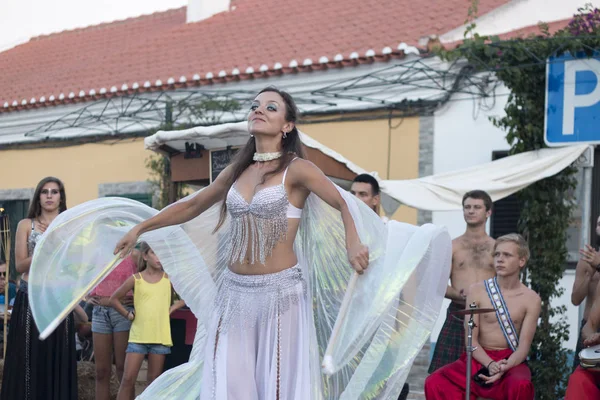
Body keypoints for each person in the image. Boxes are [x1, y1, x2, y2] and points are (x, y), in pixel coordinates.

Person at [28, 87, 451, 400]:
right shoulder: (238, 170)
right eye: (255, 105)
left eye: (271, 107)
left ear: (287, 125)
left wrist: (353, 241)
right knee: (229, 384)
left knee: (277, 387)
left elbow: (341, 202)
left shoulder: (298, 169)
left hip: (281, 297)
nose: (259, 111)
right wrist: (142, 228)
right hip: (234, 295)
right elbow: (193, 204)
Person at [425, 233, 539, 399]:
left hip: (511, 361)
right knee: (435, 382)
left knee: (520, 385)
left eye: (507, 255)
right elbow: (471, 340)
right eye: (497, 254)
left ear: (521, 261)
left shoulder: (531, 299)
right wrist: (490, 364)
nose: (500, 259)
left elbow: (523, 348)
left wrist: (504, 367)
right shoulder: (476, 291)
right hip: (478, 358)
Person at [1, 177, 78, 400]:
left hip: (58, 297)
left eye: (55, 192)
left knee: (58, 354)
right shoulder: (26, 225)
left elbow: (71, 265)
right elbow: (19, 265)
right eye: (45, 192)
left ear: (61, 197)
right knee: (28, 355)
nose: (50, 196)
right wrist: (45, 246)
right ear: (38, 196)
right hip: (30, 295)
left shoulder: (69, 225)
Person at [351, 173, 410, 400]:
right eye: (353, 193)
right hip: (352, 314)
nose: (356, 198)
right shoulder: (344, 231)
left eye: (362, 194)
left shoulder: (391, 232)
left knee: (385, 377)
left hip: (385, 315)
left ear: (376, 199)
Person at [428, 190, 496, 373]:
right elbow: (438, 285)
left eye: (477, 207)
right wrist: (459, 294)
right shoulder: (452, 246)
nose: (471, 211)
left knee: (484, 376)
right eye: (467, 207)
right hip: (458, 313)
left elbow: (505, 285)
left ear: (488, 212)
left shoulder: (497, 248)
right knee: (444, 374)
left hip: (489, 317)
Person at [110, 242, 185, 400]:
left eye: (161, 254)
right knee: (128, 380)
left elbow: (186, 296)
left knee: (153, 383)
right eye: (154, 253)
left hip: (160, 338)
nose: (159, 258)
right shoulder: (136, 279)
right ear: (145, 256)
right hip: (138, 337)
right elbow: (114, 299)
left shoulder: (168, 279)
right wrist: (127, 314)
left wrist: (171, 309)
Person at [87, 249, 139, 400]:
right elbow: (81, 276)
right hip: (99, 312)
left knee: (124, 369)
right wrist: (87, 296)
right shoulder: (96, 252)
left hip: (123, 312)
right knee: (101, 371)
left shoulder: (133, 254)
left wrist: (137, 298)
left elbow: (148, 278)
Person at [571, 215, 600, 370]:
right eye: (599, 224)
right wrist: (590, 273)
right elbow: (575, 299)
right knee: (582, 380)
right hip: (589, 327)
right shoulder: (587, 261)